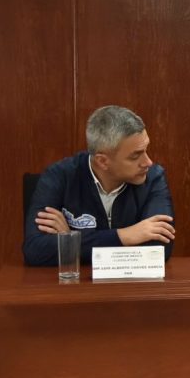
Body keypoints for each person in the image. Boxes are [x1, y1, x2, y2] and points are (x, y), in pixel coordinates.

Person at [23, 105, 175, 266]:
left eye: (146, 150)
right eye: (135, 156)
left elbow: (158, 250)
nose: (148, 162)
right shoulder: (59, 176)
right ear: (102, 161)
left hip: (133, 282)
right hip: (77, 282)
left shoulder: (153, 178)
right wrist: (124, 236)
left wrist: (70, 241)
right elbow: (34, 250)